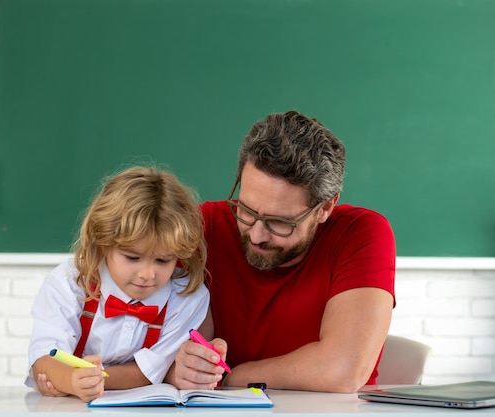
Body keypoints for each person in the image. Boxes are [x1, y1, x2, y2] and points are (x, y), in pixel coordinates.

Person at [165, 110, 396, 393]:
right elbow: (139, 339)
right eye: (246, 209)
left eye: (280, 222)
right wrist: (177, 370)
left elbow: (342, 370)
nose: (257, 235)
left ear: (325, 208)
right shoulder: (204, 226)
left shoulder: (361, 233)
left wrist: (233, 377)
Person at [25, 166, 210, 402]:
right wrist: (70, 380)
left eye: (163, 260)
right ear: (103, 242)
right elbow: (43, 359)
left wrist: (85, 380)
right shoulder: (68, 283)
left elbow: (148, 372)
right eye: (132, 257)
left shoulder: (186, 297)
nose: (147, 274)